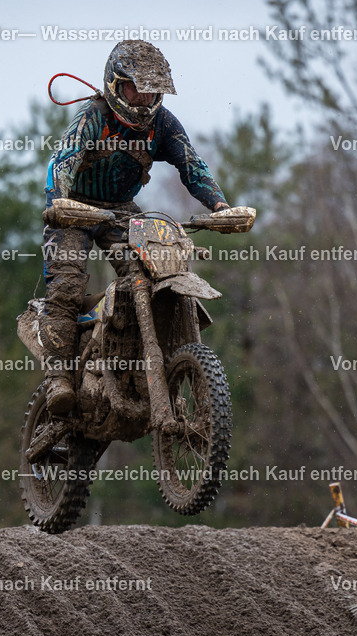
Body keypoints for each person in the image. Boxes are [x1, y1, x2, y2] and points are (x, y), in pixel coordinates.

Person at [40, 40, 230, 414]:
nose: (144, 99)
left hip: (121, 212)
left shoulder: (163, 124)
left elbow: (192, 166)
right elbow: (61, 163)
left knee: (154, 275)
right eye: (136, 88)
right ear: (115, 84)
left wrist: (220, 206)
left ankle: (142, 360)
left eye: (151, 91)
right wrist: (57, 202)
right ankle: (59, 379)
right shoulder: (93, 118)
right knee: (66, 285)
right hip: (74, 210)